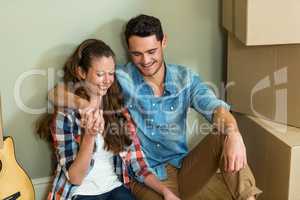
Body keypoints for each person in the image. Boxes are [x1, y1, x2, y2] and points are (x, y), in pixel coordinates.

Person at [48, 15, 262, 200]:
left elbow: (216, 109)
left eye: (152, 51)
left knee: (225, 136)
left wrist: (234, 134)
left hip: (183, 166)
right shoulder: (117, 77)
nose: (146, 60)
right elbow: (56, 92)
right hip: (146, 175)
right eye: (137, 54)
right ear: (129, 51)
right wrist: (86, 107)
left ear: (164, 42)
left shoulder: (184, 78)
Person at [36, 39, 181, 200]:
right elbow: (75, 178)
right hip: (79, 193)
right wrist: (89, 137)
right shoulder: (65, 116)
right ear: (82, 72)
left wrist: (166, 191)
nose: (107, 80)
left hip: (114, 188)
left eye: (111, 73)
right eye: (100, 74)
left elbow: (139, 165)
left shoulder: (119, 112)